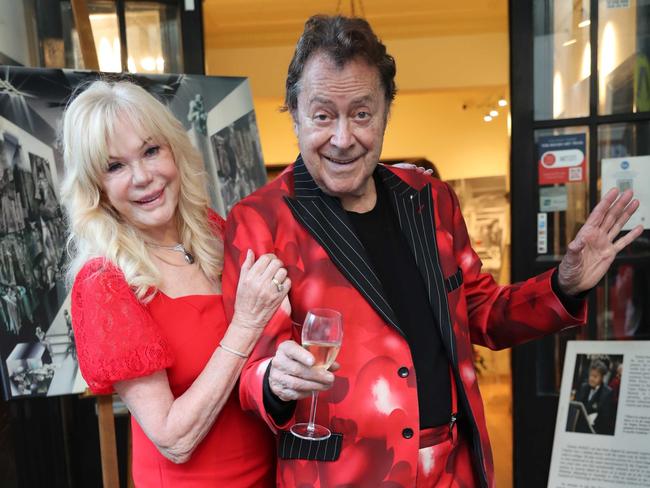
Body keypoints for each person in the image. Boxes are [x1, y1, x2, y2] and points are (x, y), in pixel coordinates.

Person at [221, 15, 643, 487]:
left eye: (362, 113)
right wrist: (276, 381)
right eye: (323, 115)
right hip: (341, 475)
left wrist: (563, 284)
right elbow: (251, 365)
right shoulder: (260, 220)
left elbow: (480, 312)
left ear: (385, 113)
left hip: (450, 469)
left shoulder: (430, 199)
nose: (343, 138)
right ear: (295, 114)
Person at [60, 80, 291, 487]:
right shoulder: (105, 283)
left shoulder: (216, 234)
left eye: (151, 151)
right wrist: (247, 323)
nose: (144, 177)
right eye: (115, 166)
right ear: (97, 188)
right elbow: (173, 438)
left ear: (174, 150)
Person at [575, 360, 616, 435]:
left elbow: (607, 420)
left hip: (594, 431)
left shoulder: (607, 393)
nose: (591, 379)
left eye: (595, 376)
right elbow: (577, 406)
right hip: (578, 428)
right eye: (590, 375)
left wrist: (596, 419)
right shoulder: (583, 387)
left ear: (602, 377)